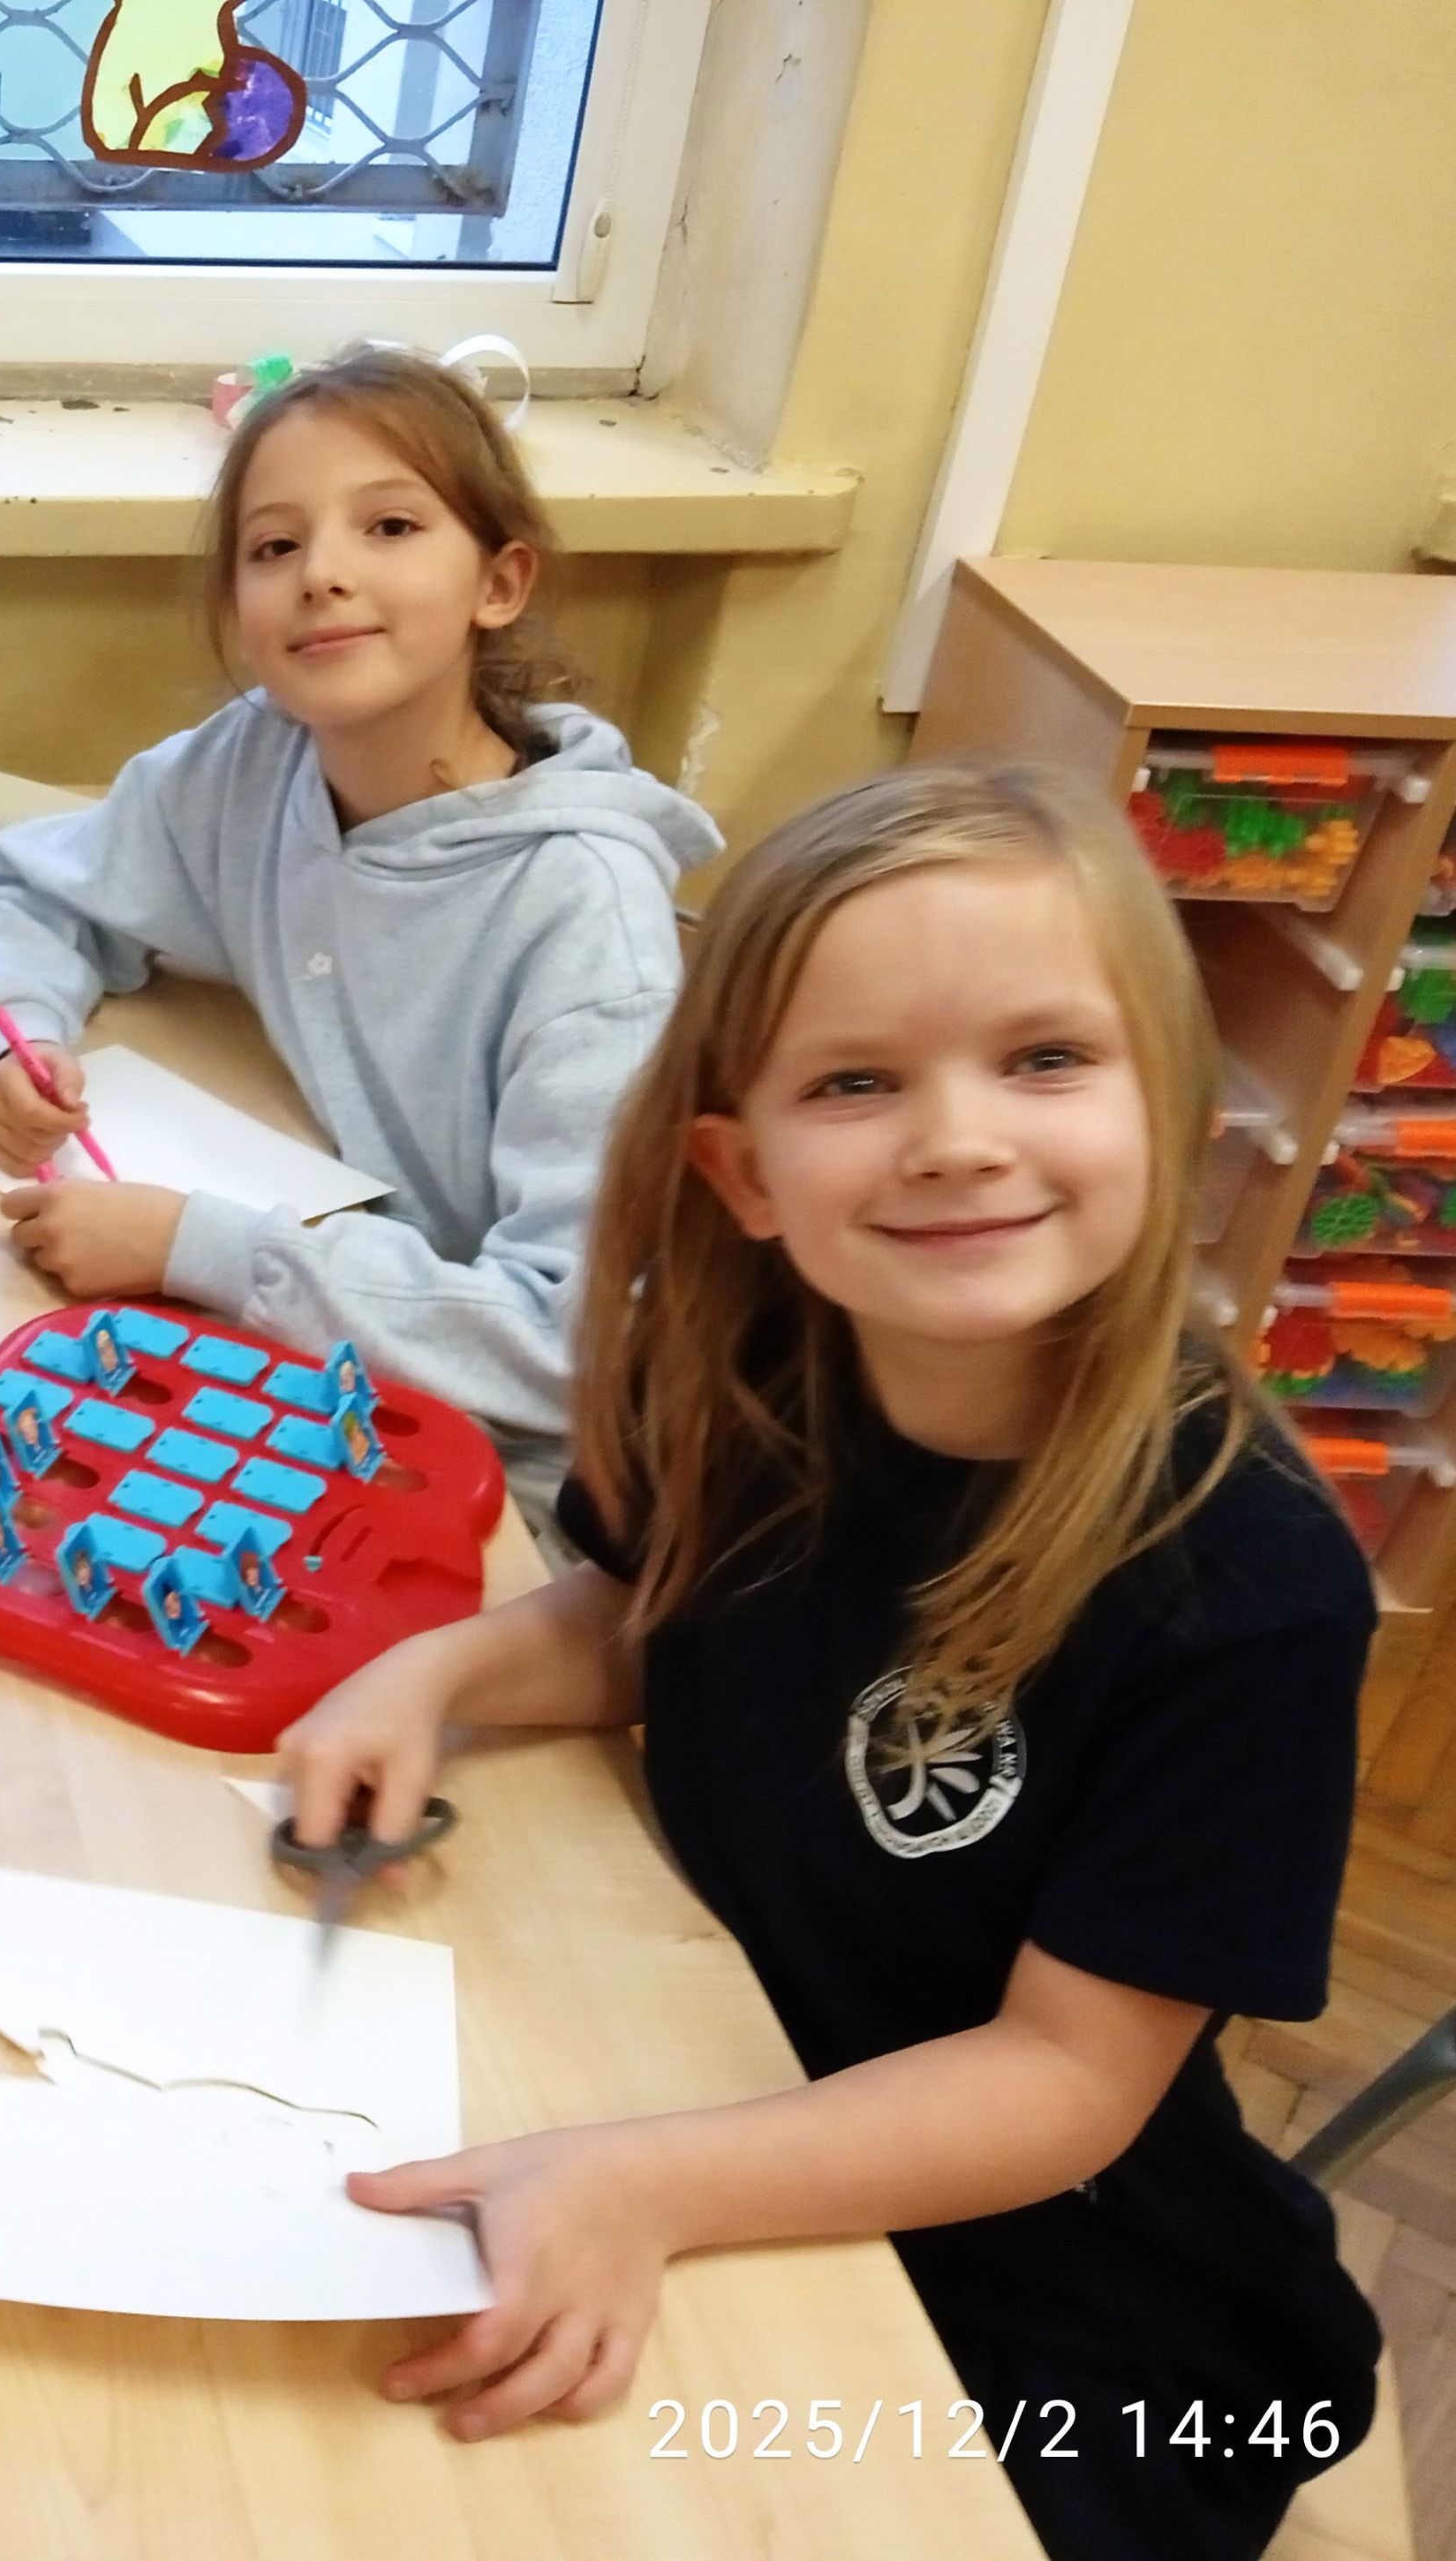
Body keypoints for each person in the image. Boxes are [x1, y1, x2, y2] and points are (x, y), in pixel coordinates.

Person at [281, 765, 1377, 2560]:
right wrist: (436, 1678)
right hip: (739, 2080)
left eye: (1042, 1058)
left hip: (1081, 2319)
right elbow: (651, 1624)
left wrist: (647, 2181)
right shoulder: (747, 1379)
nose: (954, 1139)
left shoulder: (1245, 1580)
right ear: (743, 1172)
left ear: (1170, 1111)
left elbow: (1064, 2081)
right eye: (855, 1082)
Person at [0, 343, 717, 1515]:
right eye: (274, 546)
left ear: (498, 583)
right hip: (315, 1357)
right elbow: (14, 889)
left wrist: (201, 1250)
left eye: (389, 527)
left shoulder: (584, 919)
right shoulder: (254, 760)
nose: (322, 575)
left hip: (510, 1481)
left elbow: (573, 1340)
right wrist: (16, 1040)